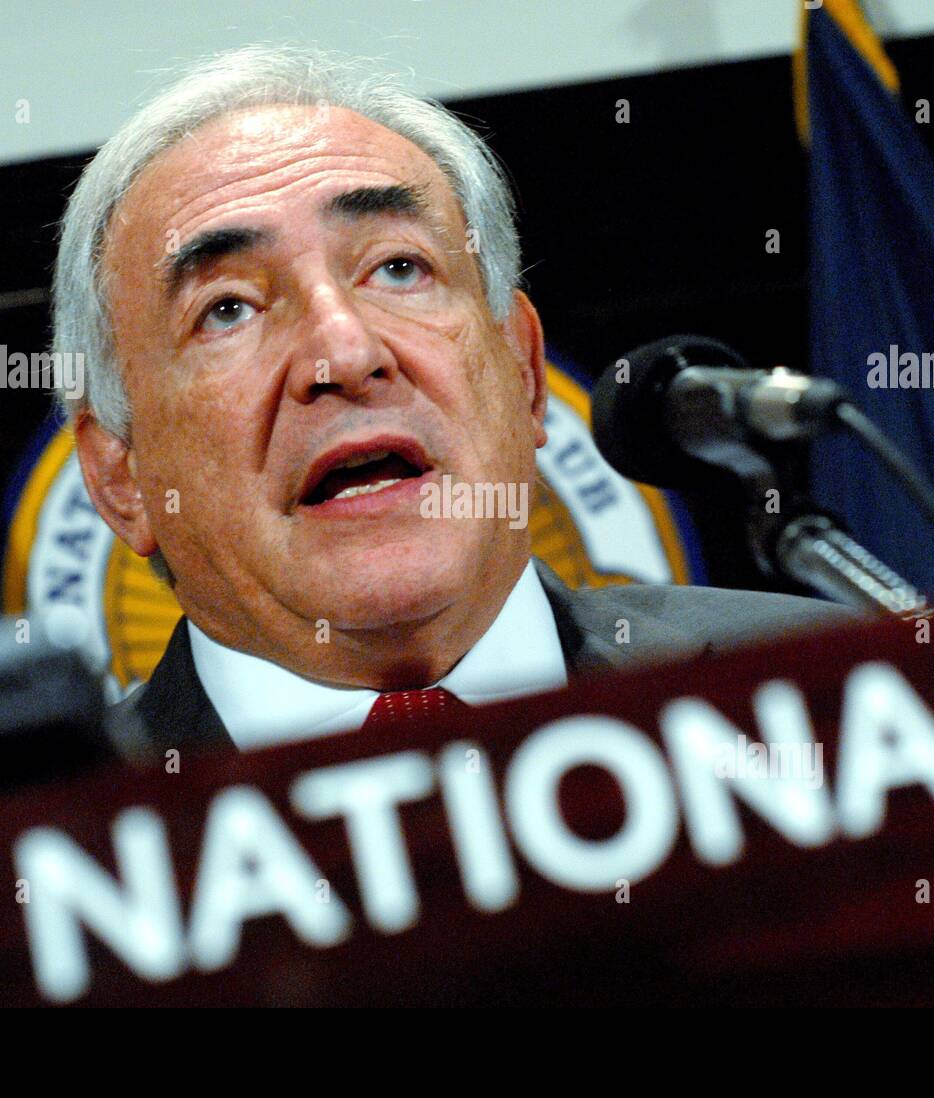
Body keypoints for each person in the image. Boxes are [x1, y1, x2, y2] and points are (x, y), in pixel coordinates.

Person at [53, 44, 850, 753]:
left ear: (525, 372)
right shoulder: (34, 853)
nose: (346, 352)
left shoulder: (827, 699)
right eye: (227, 309)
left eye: (398, 268)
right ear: (123, 480)